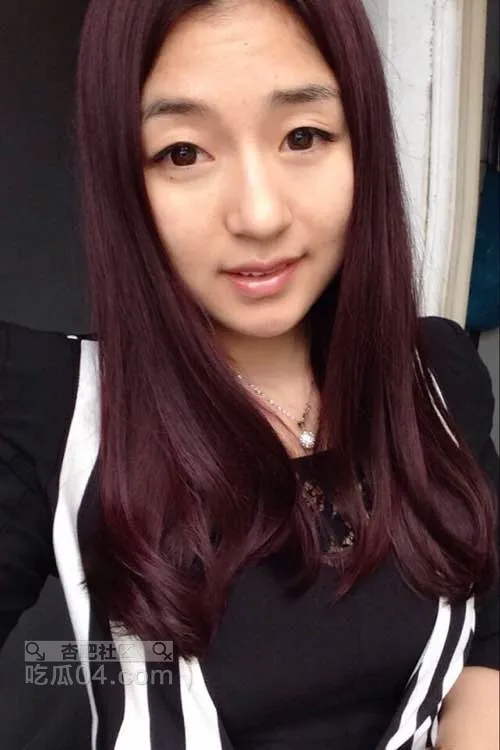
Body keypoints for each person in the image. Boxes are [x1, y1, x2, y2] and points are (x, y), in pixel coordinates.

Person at [0, 0, 498, 748]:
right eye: (183, 152)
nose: (260, 216)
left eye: (303, 136)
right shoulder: (55, 412)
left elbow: (488, 619)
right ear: (121, 178)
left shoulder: (435, 378)